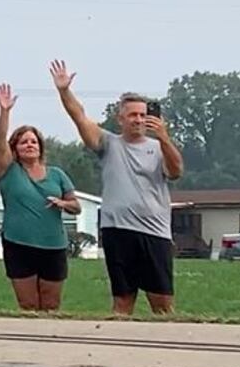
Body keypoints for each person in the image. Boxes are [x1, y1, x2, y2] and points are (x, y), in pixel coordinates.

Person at [51, 60, 184, 315]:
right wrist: (64, 91)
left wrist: (164, 138)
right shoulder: (109, 143)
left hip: (154, 233)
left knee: (163, 303)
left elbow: (176, 171)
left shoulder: (159, 148)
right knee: (122, 302)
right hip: (118, 230)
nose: (138, 120)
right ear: (120, 118)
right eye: (132, 115)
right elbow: (79, 117)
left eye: (143, 115)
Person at [0, 84, 81, 311]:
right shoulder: (9, 171)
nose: (29, 145)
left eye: (33, 141)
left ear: (41, 147)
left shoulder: (57, 174)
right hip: (18, 243)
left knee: (51, 304)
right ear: (16, 148)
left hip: (53, 245)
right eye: (23, 142)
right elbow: (0, 142)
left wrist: (63, 203)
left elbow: (76, 206)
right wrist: (5, 112)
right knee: (28, 304)